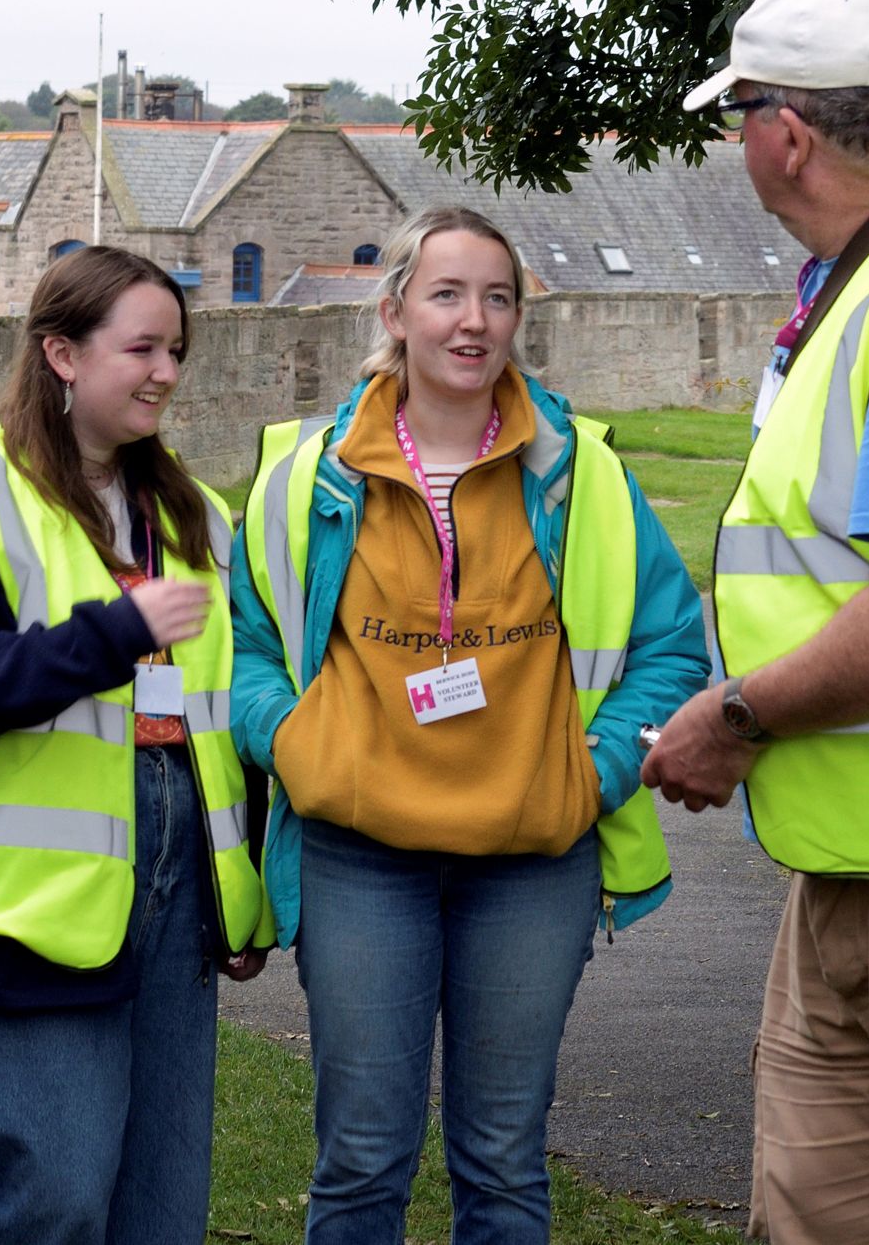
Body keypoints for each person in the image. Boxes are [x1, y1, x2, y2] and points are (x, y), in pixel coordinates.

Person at [230, 205, 709, 1243]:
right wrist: (300, 746)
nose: (473, 320)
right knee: (360, 1156)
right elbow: (245, 648)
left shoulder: (584, 473)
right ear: (395, 308)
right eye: (446, 293)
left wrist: (596, 775)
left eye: (497, 297)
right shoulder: (307, 476)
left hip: (532, 862)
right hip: (359, 859)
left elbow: (671, 650)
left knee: (501, 1158)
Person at [0, 245, 270, 1245]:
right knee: (47, 1211)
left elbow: (220, 724)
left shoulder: (196, 516)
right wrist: (117, 632)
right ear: (60, 351)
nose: (166, 371)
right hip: (23, 906)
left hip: (178, 901)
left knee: (160, 1213)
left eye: (176, 349)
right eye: (141, 347)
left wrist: (243, 892)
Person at [642, 0, 869, 1245]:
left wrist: (729, 718)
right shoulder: (852, 293)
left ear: (785, 131)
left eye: (736, 110)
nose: (735, 138)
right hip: (844, 864)